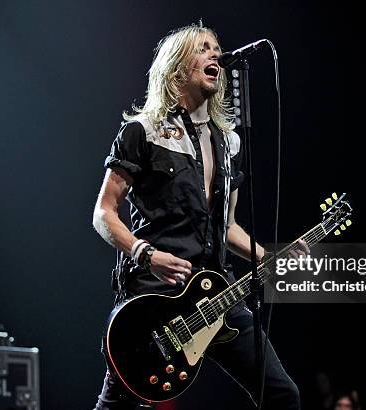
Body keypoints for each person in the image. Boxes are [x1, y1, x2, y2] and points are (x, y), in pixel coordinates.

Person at [92, 23, 304, 409]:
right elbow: (103, 213)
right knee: (118, 405)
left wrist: (268, 257)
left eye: (216, 48)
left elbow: (228, 226)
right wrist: (145, 254)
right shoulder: (143, 131)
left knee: (282, 395)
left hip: (217, 294)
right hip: (157, 298)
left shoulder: (229, 143)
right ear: (175, 66)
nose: (214, 54)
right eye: (202, 48)